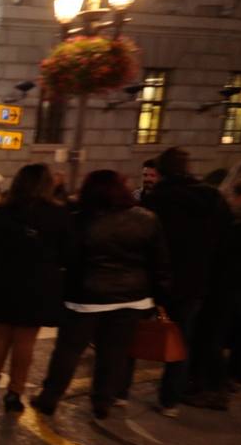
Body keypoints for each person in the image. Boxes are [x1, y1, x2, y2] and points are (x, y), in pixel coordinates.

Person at [31, 170, 170, 421]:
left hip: (86, 296)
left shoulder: (79, 220)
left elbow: (66, 258)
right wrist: (160, 297)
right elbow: (158, 262)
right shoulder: (147, 219)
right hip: (131, 296)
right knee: (114, 352)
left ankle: (50, 397)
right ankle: (102, 402)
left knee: (69, 350)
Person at [141, 147, 230, 416]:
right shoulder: (212, 198)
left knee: (136, 332)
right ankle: (170, 400)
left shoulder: (157, 200)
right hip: (196, 281)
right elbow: (225, 239)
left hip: (157, 279)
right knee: (182, 339)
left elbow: (146, 240)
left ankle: (118, 392)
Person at [0, 164, 71, 412]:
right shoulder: (58, 214)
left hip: (5, 279)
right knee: (25, 341)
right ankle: (14, 393)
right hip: (39, 282)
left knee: (0, 336)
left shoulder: (2, 212)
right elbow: (67, 253)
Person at [183, 176, 241, 410]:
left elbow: (225, 259)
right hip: (238, 290)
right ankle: (218, 382)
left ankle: (215, 390)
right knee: (217, 337)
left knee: (211, 338)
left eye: (234, 195)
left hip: (226, 289)